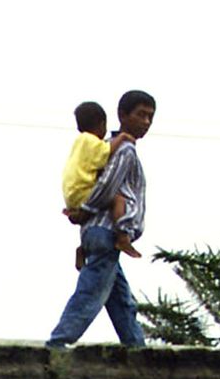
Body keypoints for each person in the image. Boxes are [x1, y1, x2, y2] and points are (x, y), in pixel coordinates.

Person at [46, 90, 156, 349]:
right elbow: (107, 186)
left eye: (150, 117)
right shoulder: (123, 150)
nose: (146, 122)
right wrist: (85, 209)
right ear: (122, 116)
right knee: (92, 291)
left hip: (99, 233)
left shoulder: (106, 149)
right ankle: (58, 343)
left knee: (121, 300)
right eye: (141, 115)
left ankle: (136, 347)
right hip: (108, 233)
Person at [61, 100, 133, 270]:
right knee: (118, 200)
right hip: (83, 191)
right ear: (102, 124)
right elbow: (105, 154)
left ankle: (83, 249)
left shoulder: (79, 142)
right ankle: (123, 236)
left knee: (119, 296)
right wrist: (122, 137)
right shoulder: (91, 141)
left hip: (73, 194)